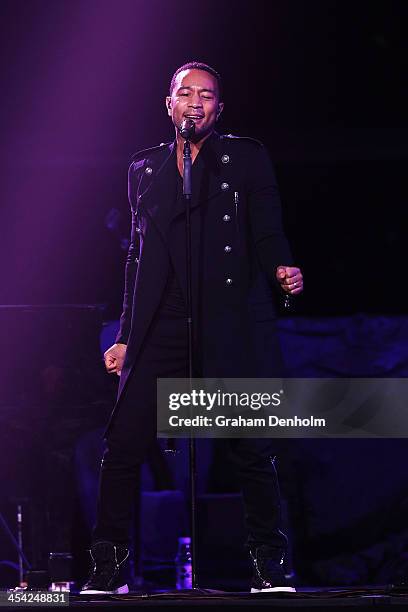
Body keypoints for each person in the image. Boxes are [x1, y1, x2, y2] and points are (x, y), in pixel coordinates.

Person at [80, 61, 303, 595]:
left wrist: (281, 268)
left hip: (226, 321)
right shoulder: (145, 169)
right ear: (169, 104)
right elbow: (136, 260)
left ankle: (269, 565)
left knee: (250, 445)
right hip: (160, 324)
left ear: (218, 108)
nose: (196, 102)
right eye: (186, 94)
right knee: (123, 445)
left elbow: (268, 230)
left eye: (206, 95)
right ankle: (108, 568)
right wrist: (127, 335)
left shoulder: (244, 158)